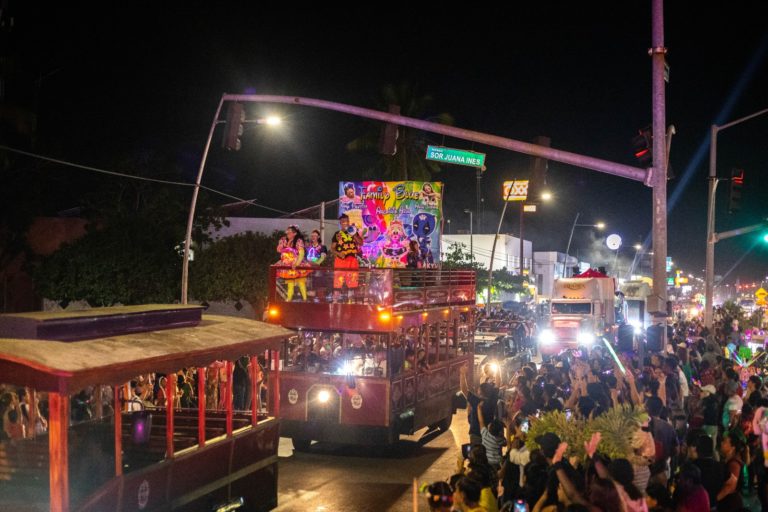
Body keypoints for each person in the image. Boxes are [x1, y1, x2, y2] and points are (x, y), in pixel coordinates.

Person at [331, 214, 364, 301]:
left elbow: (361, 243)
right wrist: (338, 253)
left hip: (352, 260)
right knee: (338, 282)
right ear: (341, 223)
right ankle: (335, 301)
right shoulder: (337, 234)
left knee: (352, 282)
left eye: (347, 221)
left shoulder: (353, 231)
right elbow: (332, 248)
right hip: (340, 260)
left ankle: (351, 302)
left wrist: (353, 234)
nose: (345, 223)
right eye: (343, 222)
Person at [276, 225, 310, 301]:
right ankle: (289, 300)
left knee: (301, 283)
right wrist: (281, 245)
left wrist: (296, 264)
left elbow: (301, 254)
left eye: (289, 232)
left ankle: (305, 300)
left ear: (295, 233)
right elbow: (279, 250)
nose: (287, 233)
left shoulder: (298, 241)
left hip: (296, 264)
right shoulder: (284, 240)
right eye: (287, 231)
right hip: (287, 264)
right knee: (290, 284)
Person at [717, 430, 745, 510]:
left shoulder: (734, 464)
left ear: (732, 448)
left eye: (725, 442)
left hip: (730, 504)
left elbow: (731, 487)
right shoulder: (730, 461)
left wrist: (715, 500)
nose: (722, 443)